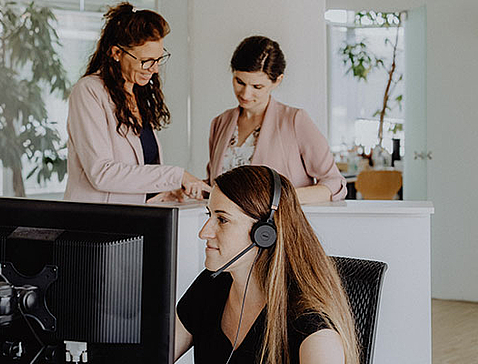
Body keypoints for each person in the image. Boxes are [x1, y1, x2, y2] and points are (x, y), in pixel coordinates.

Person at [175, 165, 358, 364]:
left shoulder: (313, 329)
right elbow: (155, 352)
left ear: (264, 234)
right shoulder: (211, 284)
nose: (204, 233)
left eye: (222, 219)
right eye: (209, 215)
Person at [64, 2, 210, 204]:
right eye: (147, 60)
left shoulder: (139, 95)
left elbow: (139, 171)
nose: (155, 69)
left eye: (159, 59)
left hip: (137, 220)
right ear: (116, 53)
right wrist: (176, 176)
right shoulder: (89, 91)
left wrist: (164, 192)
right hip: (97, 223)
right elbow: (102, 173)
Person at [205, 36, 346, 204]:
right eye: (239, 82)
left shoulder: (295, 121)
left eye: (257, 87)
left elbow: (335, 183)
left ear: (277, 80)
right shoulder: (220, 123)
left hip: (278, 227)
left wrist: (280, 198)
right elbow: (215, 185)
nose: (245, 94)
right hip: (226, 228)